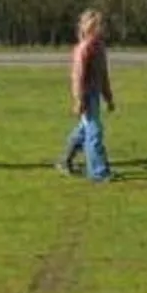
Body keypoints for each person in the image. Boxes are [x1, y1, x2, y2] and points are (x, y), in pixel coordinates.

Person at [56, 9, 116, 182]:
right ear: (89, 28)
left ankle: (64, 160)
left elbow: (104, 75)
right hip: (86, 95)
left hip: (95, 95)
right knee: (94, 132)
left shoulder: (100, 48)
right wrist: (78, 99)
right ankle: (98, 172)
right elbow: (78, 77)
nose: (101, 29)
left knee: (84, 131)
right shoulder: (84, 49)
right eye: (98, 26)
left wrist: (109, 97)